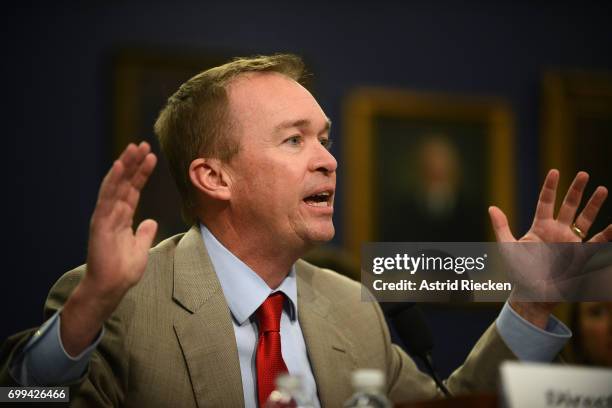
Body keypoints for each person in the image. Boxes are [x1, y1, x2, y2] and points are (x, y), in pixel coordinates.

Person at [1, 54, 610, 407]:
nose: (328, 160)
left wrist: (530, 305)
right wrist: (84, 316)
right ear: (215, 176)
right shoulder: (113, 305)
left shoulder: (353, 307)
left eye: (324, 139)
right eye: (294, 140)